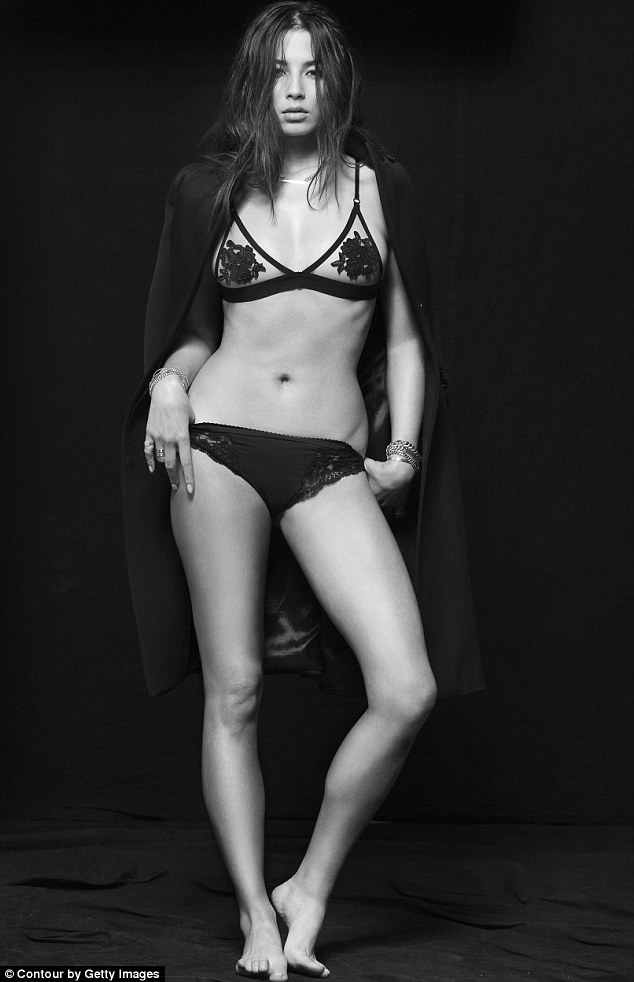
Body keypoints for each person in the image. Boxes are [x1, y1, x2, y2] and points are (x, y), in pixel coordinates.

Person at [122, 2, 483, 978]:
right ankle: (254, 913)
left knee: (405, 688)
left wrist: (402, 451)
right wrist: (167, 385)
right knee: (234, 690)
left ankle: (308, 886)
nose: (293, 89)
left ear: (334, 83)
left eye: (311, 71)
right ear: (255, 82)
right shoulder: (209, 189)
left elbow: (405, 336)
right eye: (277, 71)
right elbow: (193, 331)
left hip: (329, 459)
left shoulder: (381, 188)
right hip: (218, 445)